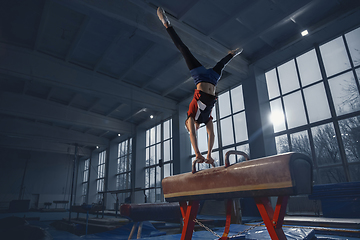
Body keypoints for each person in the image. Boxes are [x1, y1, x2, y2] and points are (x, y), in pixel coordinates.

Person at [157, 7, 242, 167]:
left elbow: (193, 137)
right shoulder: (206, 119)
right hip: (213, 81)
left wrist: (197, 153)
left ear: (188, 124)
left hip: (200, 77)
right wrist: (209, 154)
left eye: (190, 128)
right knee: (221, 66)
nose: (193, 129)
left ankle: (166, 24)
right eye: (193, 128)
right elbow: (212, 135)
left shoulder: (191, 116)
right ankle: (231, 54)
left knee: (184, 50)